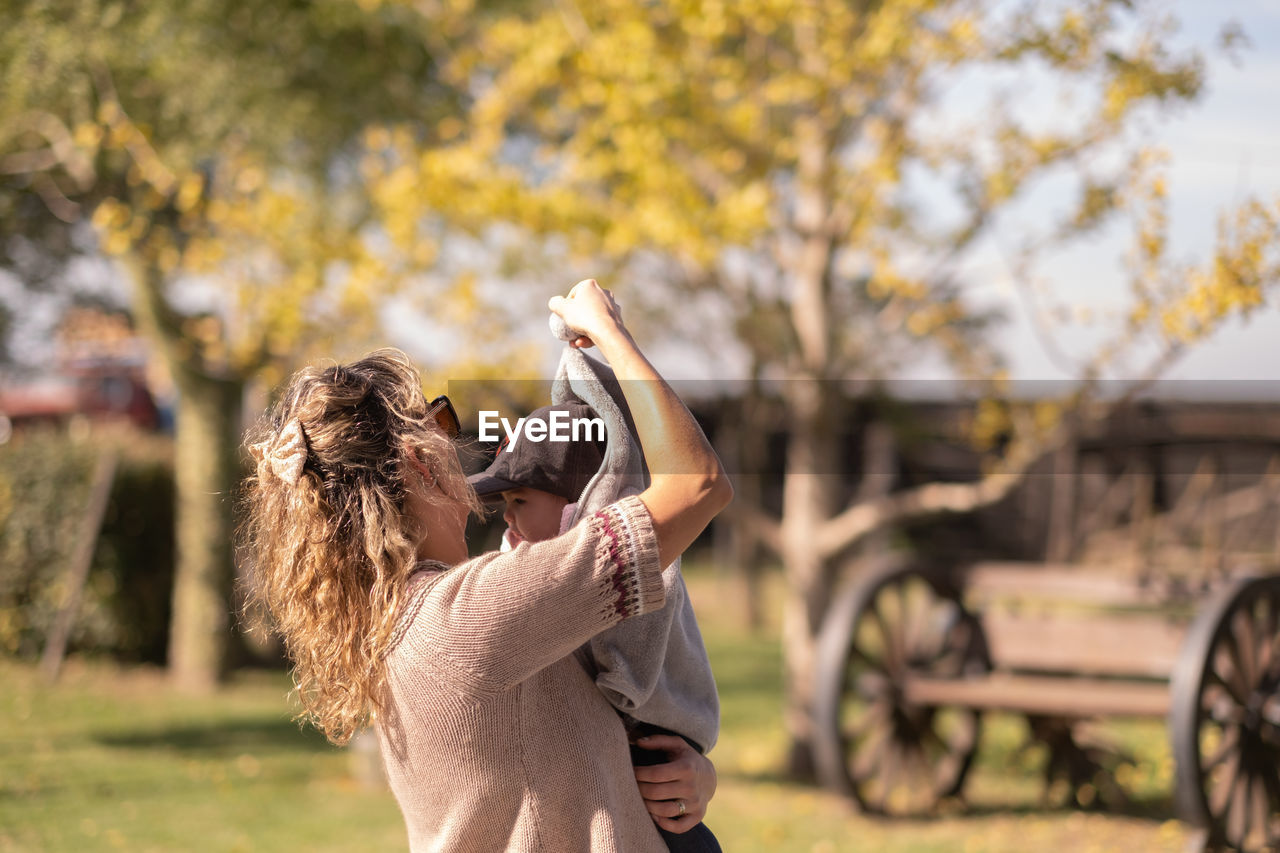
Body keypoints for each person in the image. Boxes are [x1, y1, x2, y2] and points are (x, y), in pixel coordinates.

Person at [241, 280, 733, 852]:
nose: (460, 445)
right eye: (441, 423)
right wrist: (610, 334)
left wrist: (688, 776)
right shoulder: (473, 618)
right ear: (418, 463)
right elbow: (697, 486)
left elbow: (550, 753)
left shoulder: (392, 623)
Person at [469, 398, 723, 852]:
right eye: (506, 502)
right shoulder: (507, 586)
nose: (507, 517)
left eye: (520, 500)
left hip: (648, 775)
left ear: (580, 505)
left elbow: (640, 655)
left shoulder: (623, 577)